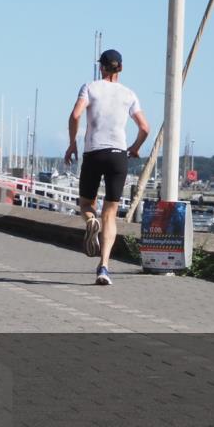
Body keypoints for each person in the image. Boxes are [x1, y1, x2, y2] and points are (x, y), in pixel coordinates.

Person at [64, 49, 149, 286]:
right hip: (118, 155)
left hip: (94, 153)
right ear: (120, 68)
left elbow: (75, 115)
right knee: (110, 213)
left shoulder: (90, 88)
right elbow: (145, 127)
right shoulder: (129, 94)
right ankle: (104, 267)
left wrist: (72, 144)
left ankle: (91, 221)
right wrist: (134, 147)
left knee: (86, 205)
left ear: (101, 67)